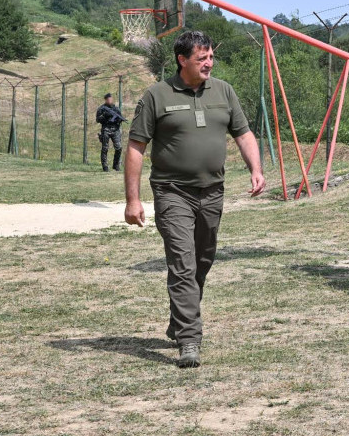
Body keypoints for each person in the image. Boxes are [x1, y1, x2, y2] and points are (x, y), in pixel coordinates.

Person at [123, 30, 265, 369]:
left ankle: (179, 317)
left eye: (211, 57)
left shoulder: (224, 91)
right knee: (182, 263)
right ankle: (190, 339)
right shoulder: (157, 96)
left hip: (213, 191)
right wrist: (133, 200)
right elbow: (136, 147)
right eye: (201, 59)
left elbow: (243, 133)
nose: (208, 63)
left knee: (203, 259)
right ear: (182, 60)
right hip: (172, 191)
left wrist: (255, 169)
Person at [96, 93, 127, 172]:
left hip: (115, 130)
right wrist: (105, 116)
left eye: (111, 99)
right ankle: (105, 167)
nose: (110, 100)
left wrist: (118, 119)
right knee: (105, 148)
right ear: (106, 100)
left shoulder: (116, 109)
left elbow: (120, 118)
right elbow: (98, 119)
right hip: (106, 129)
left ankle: (116, 165)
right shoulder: (102, 109)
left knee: (119, 147)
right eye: (108, 99)